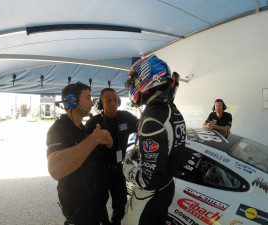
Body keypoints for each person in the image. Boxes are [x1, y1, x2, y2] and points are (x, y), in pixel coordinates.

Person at [123, 54, 186, 225]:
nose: (132, 87)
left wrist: (128, 169)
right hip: (167, 186)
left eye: (134, 82)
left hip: (151, 195)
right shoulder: (173, 110)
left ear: (147, 79)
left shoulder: (153, 120)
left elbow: (148, 180)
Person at [46, 82, 113, 225]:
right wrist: (94, 139)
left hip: (93, 207)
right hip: (78, 213)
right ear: (72, 101)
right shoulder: (58, 129)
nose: (92, 102)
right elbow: (55, 170)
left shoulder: (82, 128)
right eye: (88, 98)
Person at [85, 88, 138, 225]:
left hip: (118, 169)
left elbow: (143, 127)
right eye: (108, 101)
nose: (113, 103)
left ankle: (115, 222)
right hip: (99, 171)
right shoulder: (93, 123)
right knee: (99, 203)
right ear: (101, 103)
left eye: (115, 100)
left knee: (120, 204)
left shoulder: (126, 117)